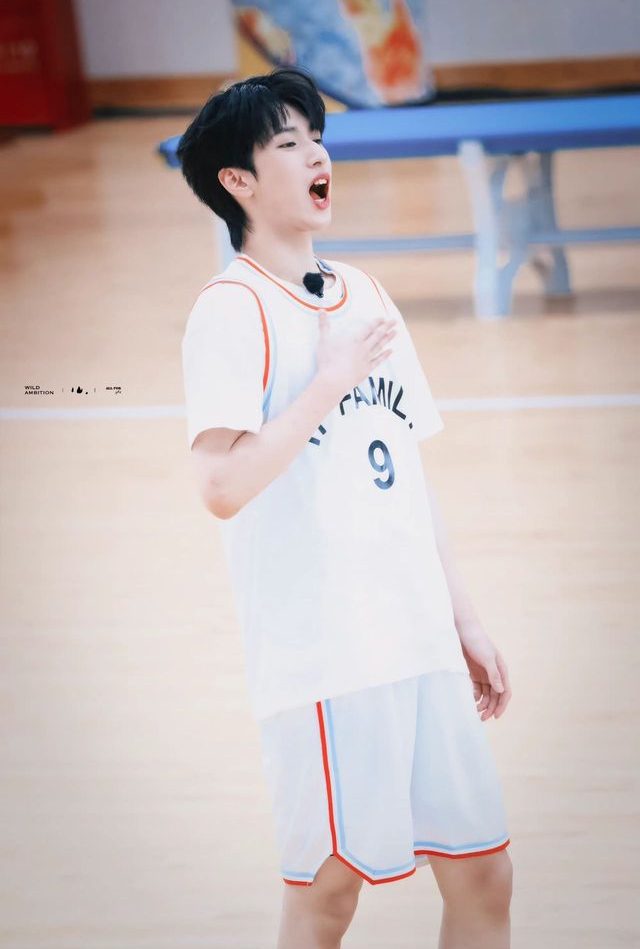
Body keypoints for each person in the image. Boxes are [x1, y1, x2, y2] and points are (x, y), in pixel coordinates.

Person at [178, 66, 513, 949]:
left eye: (318, 139)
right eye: (289, 144)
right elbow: (220, 488)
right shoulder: (230, 310)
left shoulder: (364, 293)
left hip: (418, 640)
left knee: (484, 871)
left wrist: (463, 621)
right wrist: (328, 380)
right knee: (328, 896)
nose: (317, 156)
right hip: (329, 658)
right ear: (237, 181)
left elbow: (407, 472)